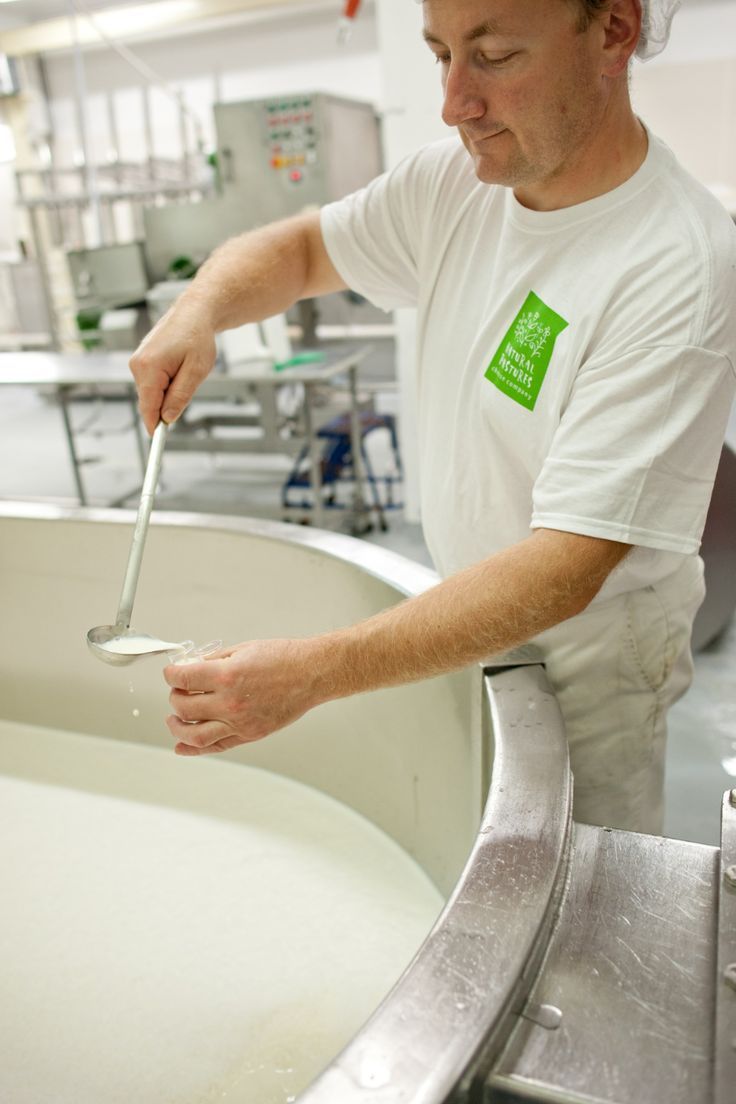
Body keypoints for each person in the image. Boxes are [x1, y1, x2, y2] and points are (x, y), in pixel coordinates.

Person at [129, 0, 736, 835]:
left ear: (613, 32)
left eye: (494, 55)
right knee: (488, 850)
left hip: (587, 656)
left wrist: (312, 671)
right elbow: (304, 249)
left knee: (576, 887)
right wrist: (200, 309)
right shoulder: (453, 182)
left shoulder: (676, 263)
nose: (455, 102)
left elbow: (567, 566)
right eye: (441, 54)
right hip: (463, 616)